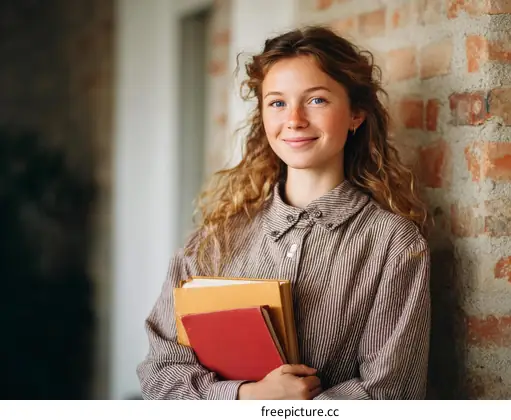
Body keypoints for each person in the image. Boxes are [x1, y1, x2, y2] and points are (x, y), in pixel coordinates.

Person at [136, 25, 431, 400]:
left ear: (356, 113)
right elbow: (160, 375)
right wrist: (247, 397)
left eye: (316, 100)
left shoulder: (393, 243)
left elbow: (389, 393)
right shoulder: (213, 242)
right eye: (277, 102)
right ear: (262, 115)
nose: (294, 120)